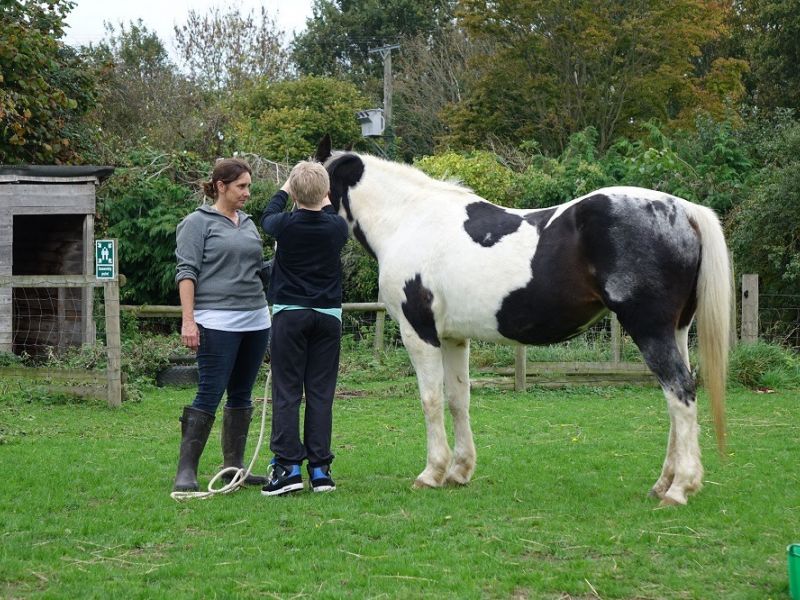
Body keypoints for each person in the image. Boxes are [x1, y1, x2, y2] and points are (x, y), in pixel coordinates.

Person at [172, 158, 271, 492]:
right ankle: (186, 472)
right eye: (241, 186)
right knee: (210, 392)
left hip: (256, 320)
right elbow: (186, 273)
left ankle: (234, 468)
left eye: (249, 187)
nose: (247, 193)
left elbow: (255, 270)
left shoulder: (249, 223)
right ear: (220, 186)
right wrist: (189, 321)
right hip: (215, 321)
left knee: (242, 393)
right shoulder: (196, 223)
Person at [259, 161, 348, 495]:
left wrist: (287, 188)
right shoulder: (337, 228)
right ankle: (321, 469)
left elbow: (268, 213)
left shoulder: (284, 225)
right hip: (327, 316)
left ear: (294, 193)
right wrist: (318, 190)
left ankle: (287, 467)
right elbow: (325, 206)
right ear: (326, 193)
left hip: (290, 315)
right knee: (321, 394)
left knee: (288, 391)